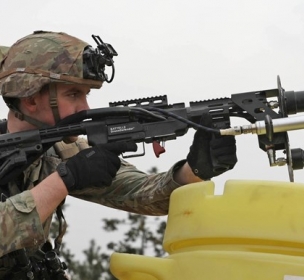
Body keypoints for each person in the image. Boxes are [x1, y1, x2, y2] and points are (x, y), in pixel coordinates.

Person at [0, 31, 237, 278]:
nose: (86, 108)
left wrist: (195, 170)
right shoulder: (63, 163)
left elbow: (143, 194)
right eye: (73, 95)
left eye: (86, 95)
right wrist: (63, 180)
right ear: (29, 99)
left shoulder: (62, 152)